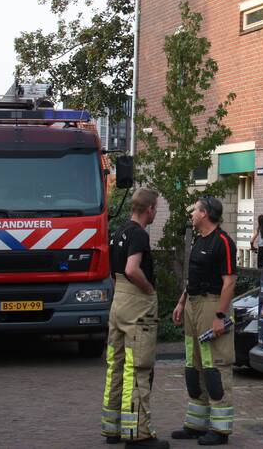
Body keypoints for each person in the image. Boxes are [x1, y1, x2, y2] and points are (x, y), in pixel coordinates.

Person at [101, 188, 167, 448]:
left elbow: (115, 272)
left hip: (118, 302)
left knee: (115, 366)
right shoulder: (139, 234)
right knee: (138, 367)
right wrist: (149, 290)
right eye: (156, 209)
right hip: (137, 305)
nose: (155, 213)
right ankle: (137, 434)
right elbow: (132, 269)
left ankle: (112, 428)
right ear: (149, 209)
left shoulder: (118, 231)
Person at [171, 196, 236, 445]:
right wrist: (181, 302)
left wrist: (220, 316)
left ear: (205, 214)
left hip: (211, 304)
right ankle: (196, 424)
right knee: (193, 364)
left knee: (215, 367)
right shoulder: (199, 240)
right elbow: (193, 277)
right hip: (192, 304)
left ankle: (220, 431)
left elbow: (229, 282)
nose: (192, 213)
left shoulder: (223, 243)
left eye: (196, 209)